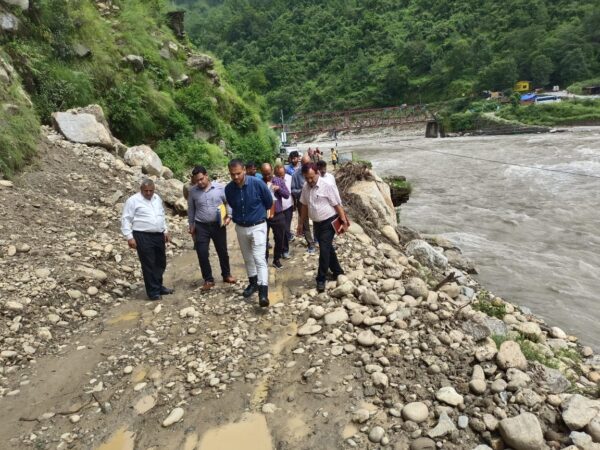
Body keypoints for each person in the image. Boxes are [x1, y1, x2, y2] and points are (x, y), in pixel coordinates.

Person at [225, 159, 273, 307]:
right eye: (233, 175)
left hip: (258, 225)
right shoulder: (229, 189)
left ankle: (263, 292)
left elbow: (269, 201)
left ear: (244, 170)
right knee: (247, 258)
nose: (236, 177)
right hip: (240, 227)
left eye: (238, 173)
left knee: (259, 258)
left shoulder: (257, 183)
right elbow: (233, 205)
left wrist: (257, 213)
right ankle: (253, 283)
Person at [297, 164, 349, 293]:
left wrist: (344, 220)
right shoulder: (305, 187)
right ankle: (337, 271)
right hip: (316, 223)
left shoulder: (327, 186)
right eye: (306, 178)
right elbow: (303, 206)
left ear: (317, 174)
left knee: (324, 250)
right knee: (327, 248)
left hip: (329, 222)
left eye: (311, 178)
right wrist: (300, 224)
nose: (309, 181)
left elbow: (337, 204)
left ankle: (321, 279)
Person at [121, 179, 173, 300]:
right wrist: (129, 237)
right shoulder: (133, 200)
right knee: (149, 264)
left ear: (154, 189)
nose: (149, 193)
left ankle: (159, 286)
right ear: (141, 190)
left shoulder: (157, 198)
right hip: (142, 235)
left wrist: (165, 230)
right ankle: (153, 291)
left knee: (160, 262)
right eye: (146, 191)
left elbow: (161, 215)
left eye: (151, 190)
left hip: (158, 235)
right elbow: (126, 219)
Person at [187, 165, 236, 290]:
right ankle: (208, 279)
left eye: (202, 179)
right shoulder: (192, 191)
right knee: (202, 253)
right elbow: (191, 209)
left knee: (222, 251)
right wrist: (191, 225)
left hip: (218, 225)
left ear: (206, 175)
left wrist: (229, 215)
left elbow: (228, 202)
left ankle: (226, 275)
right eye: (197, 180)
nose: (200, 182)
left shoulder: (220, 188)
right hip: (201, 226)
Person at [261, 163, 290, 269]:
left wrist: (279, 189)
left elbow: (287, 195)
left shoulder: (278, 180)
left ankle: (276, 259)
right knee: (263, 239)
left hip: (278, 214)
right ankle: (264, 259)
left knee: (279, 238)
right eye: (265, 174)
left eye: (269, 173)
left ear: (272, 170)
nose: (267, 176)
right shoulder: (259, 183)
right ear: (261, 173)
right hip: (264, 216)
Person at [291, 153, 316, 254]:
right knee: (304, 223)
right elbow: (292, 189)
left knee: (317, 220)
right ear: (301, 164)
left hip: (314, 200)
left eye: (308, 163)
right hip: (302, 202)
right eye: (304, 164)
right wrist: (302, 191)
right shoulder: (296, 174)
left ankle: (318, 239)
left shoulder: (314, 171)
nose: (307, 166)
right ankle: (311, 244)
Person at [275, 164, 294, 257]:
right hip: (277, 210)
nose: (281, 176)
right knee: (279, 231)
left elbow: (292, 192)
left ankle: (285, 250)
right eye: (279, 175)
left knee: (286, 229)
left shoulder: (290, 178)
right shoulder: (273, 181)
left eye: (282, 174)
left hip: (288, 207)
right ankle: (280, 250)